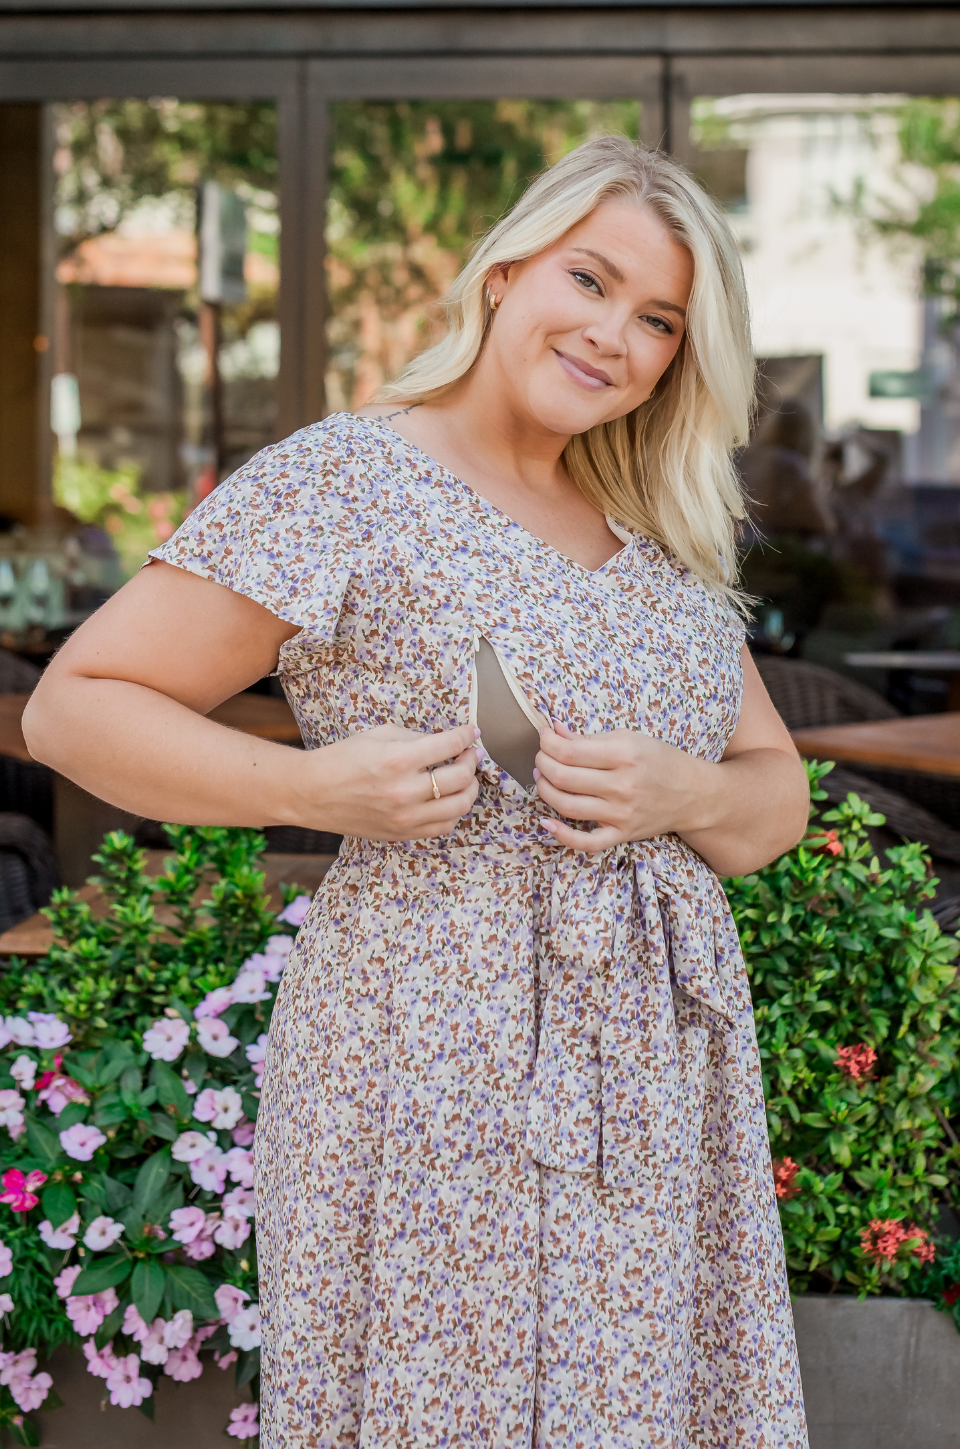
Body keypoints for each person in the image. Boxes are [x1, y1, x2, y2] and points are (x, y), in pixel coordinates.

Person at [24, 137, 810, 1447]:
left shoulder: (661, 525)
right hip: (431, 1050)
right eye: (590, 279)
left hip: (655, 1077)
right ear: (505, 273)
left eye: (659, 319)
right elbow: (73, 707)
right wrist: (311, 784)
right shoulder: (347, 481)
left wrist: (682, 792)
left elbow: (774, 797)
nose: (613, 334)